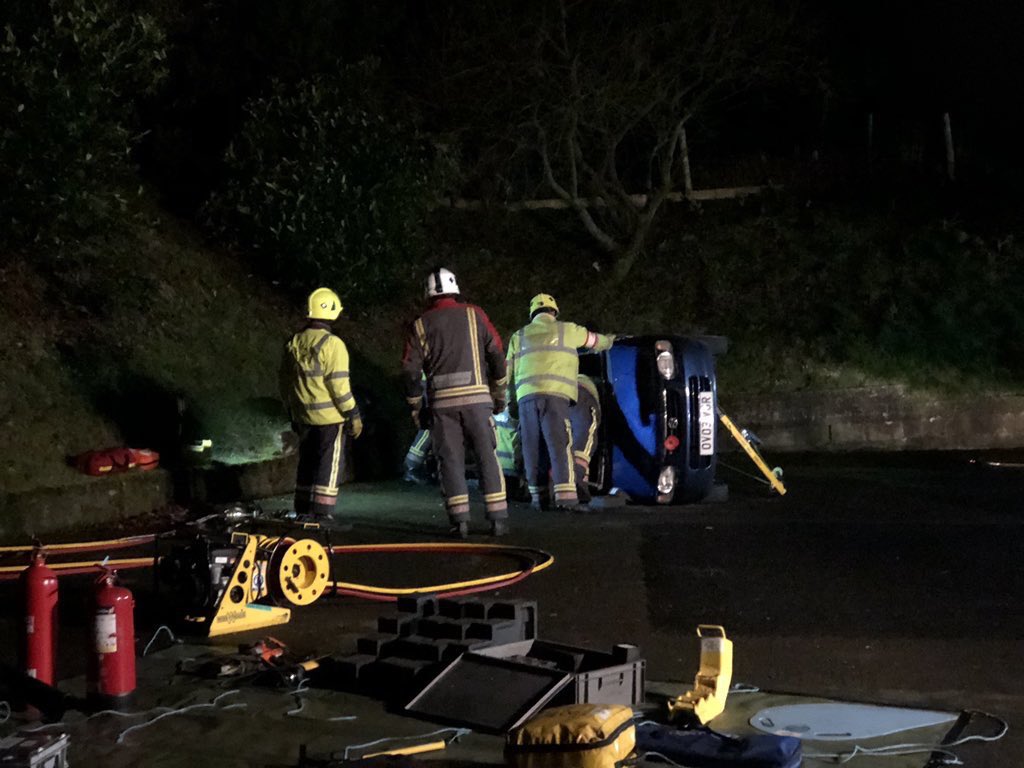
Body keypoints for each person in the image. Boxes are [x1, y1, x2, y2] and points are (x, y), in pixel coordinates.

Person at [401, 267, 509, 538]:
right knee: (487, 457)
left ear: (427, 294)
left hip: (442, 407)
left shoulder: (421, 324)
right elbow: (496, 354)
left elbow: (411, 371)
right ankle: (497, 519)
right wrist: (499, 394)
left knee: (449, 461)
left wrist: (416, 406)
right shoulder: (476, 315)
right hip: (477, 402)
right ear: (455, 288)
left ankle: (459, 521)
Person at [506, 294, 614, 511]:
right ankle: (566, 499)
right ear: (553, 312)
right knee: (559, 445)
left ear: (532, 314)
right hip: (555, 397)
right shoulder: (567, 330)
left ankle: (539, 499)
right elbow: (596, 341)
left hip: (526, 397)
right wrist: (610, 340)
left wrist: (509, 402)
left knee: (532, 447)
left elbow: (508, 372)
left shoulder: (519, 336)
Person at [279, 287, 363, 522]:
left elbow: (284, 381)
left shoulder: (294, 342)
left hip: (302, 416)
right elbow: (339, 387)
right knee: (329, 463)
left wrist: (291, 410)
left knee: (307, 461)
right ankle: (322, 513)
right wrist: (353, 414)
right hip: (330, 418)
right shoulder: (333, 345)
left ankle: (304, 507)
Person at [570, 373, 601, 505]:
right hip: (583, 394)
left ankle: (578, 486)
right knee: (584, 445)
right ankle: (577, 484)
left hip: (558, 395)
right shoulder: (587, 395)